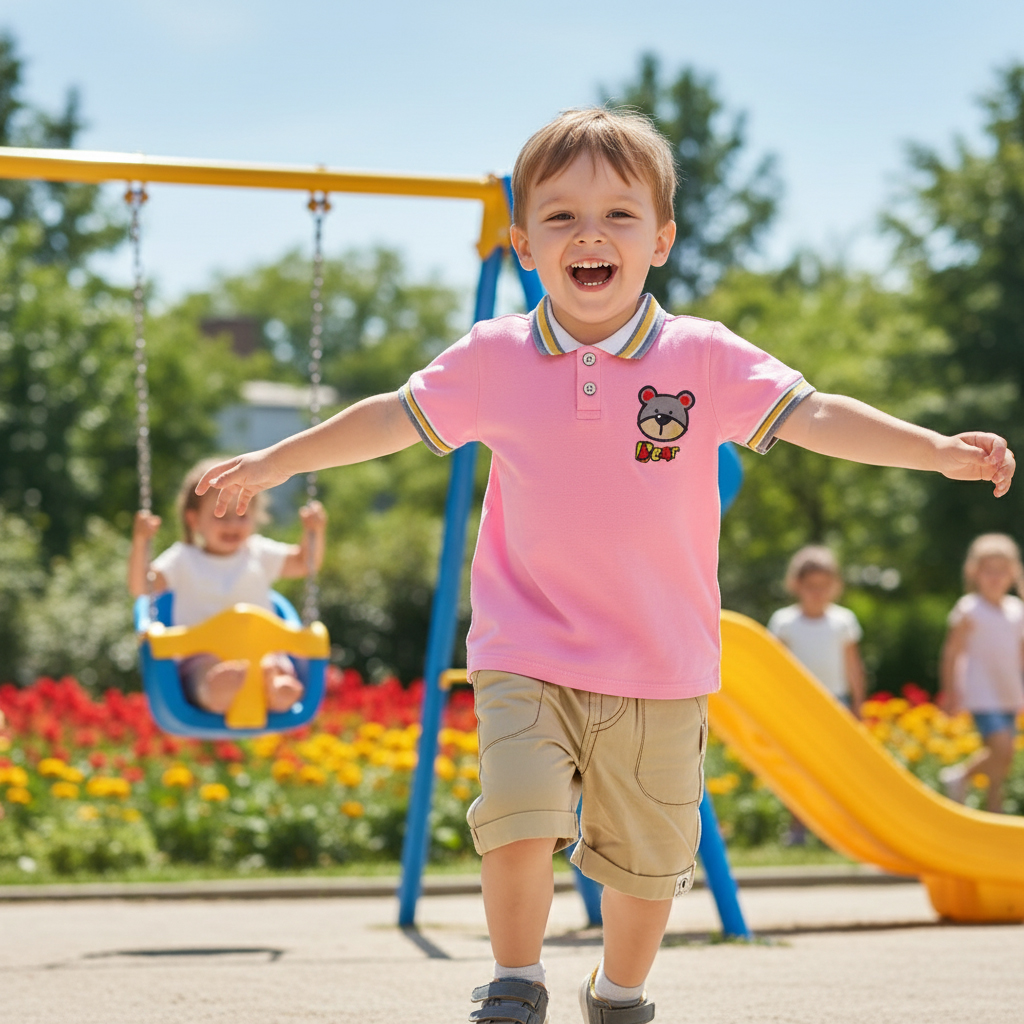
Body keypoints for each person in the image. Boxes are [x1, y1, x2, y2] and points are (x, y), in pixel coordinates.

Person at [194, 109, 1015, 1024]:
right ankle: (515, 981)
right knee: (518, 812)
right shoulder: (494, 357)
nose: (590, 234)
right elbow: (390, 414)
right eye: (561, 217)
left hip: (658, 661)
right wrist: (279, 460)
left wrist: (936, 450)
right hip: (525, 645)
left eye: (620, 216)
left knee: (649, 859)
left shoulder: (703, 356)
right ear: (522, 244)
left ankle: (618, 992)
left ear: (660, 240)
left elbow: (816, 415)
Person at [128, 457, 327, 716]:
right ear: (193, 519)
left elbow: (305, 563)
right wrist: (141, 541)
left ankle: (276, 688)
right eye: (220, 514)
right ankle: (216, 693)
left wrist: (314, 531)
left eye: (242, 514)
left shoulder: (259, 553)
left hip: (259, 651)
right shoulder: (182, 559)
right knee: (203, 672)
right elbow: (140, 586)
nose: (233, 524)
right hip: (203, 654)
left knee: (272, 663)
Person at [938, 533, 1024, 813]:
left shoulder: (1017, 611)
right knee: (1000, 747)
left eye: (1002, 571)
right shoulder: (968, 609)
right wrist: (952, 692)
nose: (995, 578)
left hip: (1009, 691)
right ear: (975, 573)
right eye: (989, 571)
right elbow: (952, 653)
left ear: (1012, 574)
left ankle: (994, 812)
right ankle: (960, 776)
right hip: (981, 692)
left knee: (1004, 759)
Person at [768, 546, 866, 713]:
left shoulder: (844, 621)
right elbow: (773, 669)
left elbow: (854, 668)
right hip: (795, 702)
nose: (817, 593)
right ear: (796, 584)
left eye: (824, 586)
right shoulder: (783, 622)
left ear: (835, 585)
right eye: (811, 586)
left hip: (836, 701)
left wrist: (858, 706)